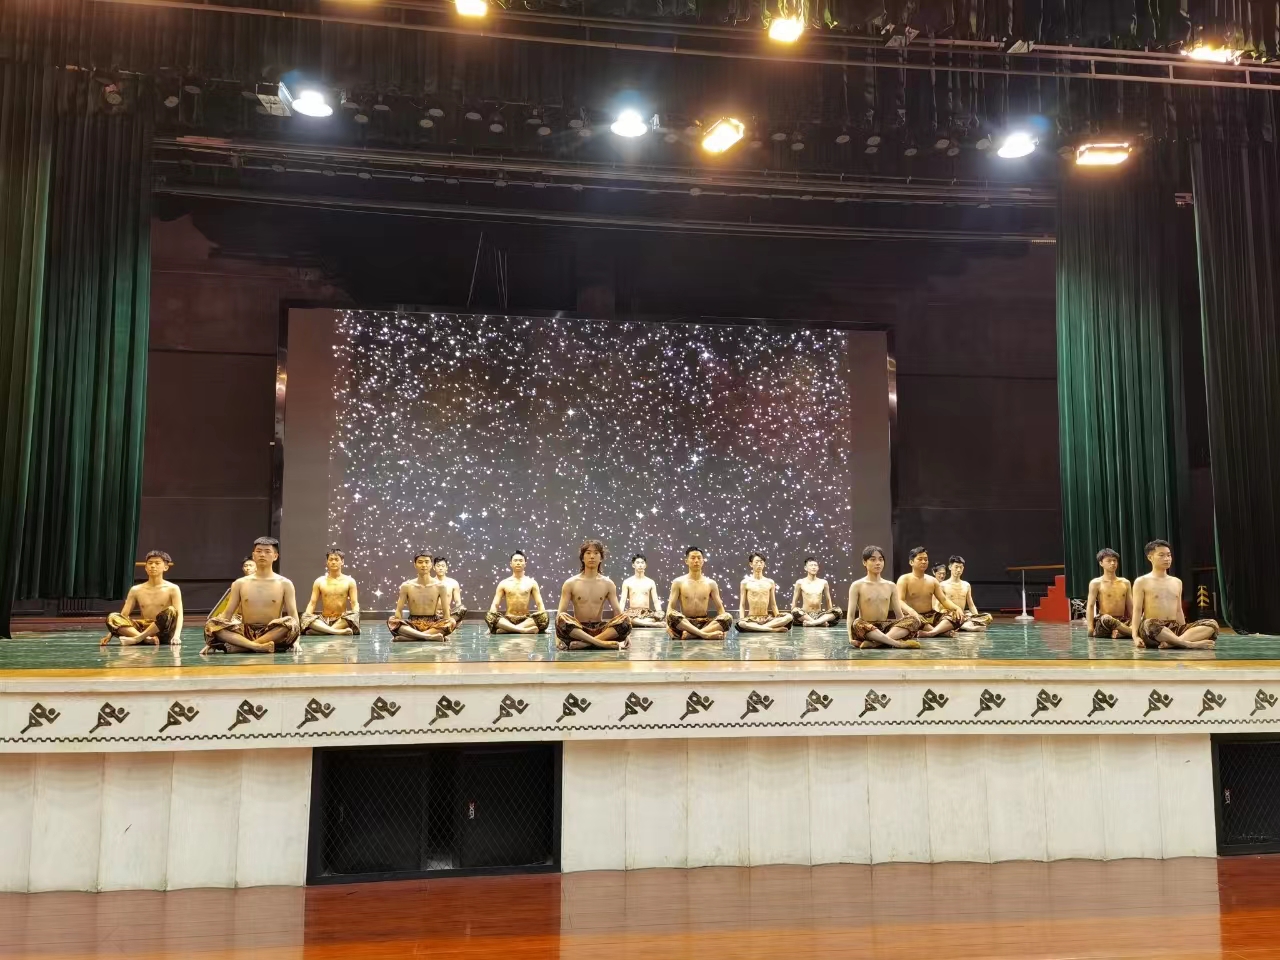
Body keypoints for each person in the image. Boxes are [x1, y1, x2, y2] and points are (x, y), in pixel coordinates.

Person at [202, 537, 300, 654]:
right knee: (212, 623)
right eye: (259, 551)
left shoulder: (285, 584)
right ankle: (257, 647)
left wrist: (296, 641)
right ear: (253, 555)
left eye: (267, 551)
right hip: (245, 632)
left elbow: (293, 614)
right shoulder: (240, 583)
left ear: (275, 556)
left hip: (272, 632)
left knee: (291, 622)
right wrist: (212, 638)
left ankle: (243, 646)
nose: (262, 555)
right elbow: (228, 613)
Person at [1130, 539, 1218, 649]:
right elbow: (1137, 610)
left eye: (1169, 555)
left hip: (1173, 628)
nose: (1167, 558)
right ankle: (1188, 643)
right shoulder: (1141, 581)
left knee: (1212, 624)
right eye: (1161, 555)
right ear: (1150, 557)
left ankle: (1173, 642)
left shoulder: (1177, 582)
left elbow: (1178, 610)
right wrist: (1135, 636)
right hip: (1154, 629)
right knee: (1149, 624)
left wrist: (1184, 629)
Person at [555, 539, 632, 649]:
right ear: (582, 558)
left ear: (601, 558)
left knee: (625, 619)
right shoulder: (570, 583)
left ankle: (586, 644)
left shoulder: (608, 584)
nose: (592, 556)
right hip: (578, 630)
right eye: (588, 553)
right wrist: (557, 638)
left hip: (600, 629)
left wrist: (627, 635)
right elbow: (561, 613)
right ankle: (600, 643)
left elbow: (617, 612)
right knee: (562, 618)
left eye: (596, 553)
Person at [101, 550, 183, 646]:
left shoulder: (173, 588)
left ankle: (139, 639)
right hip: (142, 628)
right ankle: (146, 639)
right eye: (150, 563)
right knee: (112, 617)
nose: (153, 566)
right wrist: (110, 634)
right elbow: (123, 616)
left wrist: (176, 636)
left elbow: (179, 615)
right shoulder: (135, 589)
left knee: (171, 611)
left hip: (162, 631)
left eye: (157, 563)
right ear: (146, 567)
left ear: (166, 567)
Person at [848, 545, 921, 648]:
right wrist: (850, 638)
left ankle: (876, 643)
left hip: (885, 628)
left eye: (881, 559)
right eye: (873, 560)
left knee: (914, 619)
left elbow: (899, 615)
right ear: (864, 562)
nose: (878, 563)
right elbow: (851, 615)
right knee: (856, 623)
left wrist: (904, 625)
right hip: (866, 629)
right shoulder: (857, 585)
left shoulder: (891, 585)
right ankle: (896, 643)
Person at [666, 546, 734, 640]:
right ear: (686, 561)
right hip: (685, 624)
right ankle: (705, 635)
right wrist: (668, 627)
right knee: (671, 615)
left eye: (699, 558)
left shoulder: (711, 583)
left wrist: (725, 629)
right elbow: (670, 607)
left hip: (704, 623)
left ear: (703, 561)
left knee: (728, 617)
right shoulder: (678, 582)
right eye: (693, 558)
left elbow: (720, 608)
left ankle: (692, 635)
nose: (696, 561)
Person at [896, 546, 966, 637]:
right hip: (913, 616)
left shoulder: (932, 580)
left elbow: (943, 600)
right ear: (911, 562)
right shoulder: (904, 579)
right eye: (920, 559)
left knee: (956, 616)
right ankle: (940, 631)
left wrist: (956, 608)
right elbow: (899, 601)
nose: (924, 562)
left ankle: (932, 632)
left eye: (926, 559)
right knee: (912, 621)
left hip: (931, 616)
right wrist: (912, 611)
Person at [388, 552, 455, 641]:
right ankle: (428, 637)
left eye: (427, 562)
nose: (424, 565)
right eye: (420, 562)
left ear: (431, 565)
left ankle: (411, 638)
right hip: (413, 624)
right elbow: (398, 611)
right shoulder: (406, 586)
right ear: (415, 565)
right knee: (392, 621)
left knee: (451, 622)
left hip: (433, 624)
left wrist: (445, 625)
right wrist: (398, 625)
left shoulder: (440, 586)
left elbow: (446, 613)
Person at [486, 551, 550, 634]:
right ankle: (522, 630)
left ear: (525, 564)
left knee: (544, 616)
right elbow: (495, 604)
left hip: (526, 620)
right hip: (508, 619)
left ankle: (508, 629)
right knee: (489, 615)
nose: (518, 563)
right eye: (515, 560)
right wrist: (490, 623)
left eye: (520, 560)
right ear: (511, 564)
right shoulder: (503, 583)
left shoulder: (532, 583)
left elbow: (539, 604)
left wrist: (544, 621)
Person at [301, 548, 360, 636]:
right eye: (331, 559)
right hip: (324, 620)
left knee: (354, 615)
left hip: (341, 620)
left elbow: (354, 603)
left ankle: (322, 631)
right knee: (304, 616)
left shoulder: (350, 581)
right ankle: (335, 631)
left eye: (336, 559)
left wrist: (355, 616)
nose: (333, 562)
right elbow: (312, 603)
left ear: (342, 562)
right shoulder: (319, 581)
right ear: (327, 562)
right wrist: (307, 618)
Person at [736, 552, 793, 632]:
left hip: (766, 619)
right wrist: (742, 618)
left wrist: (777, 617)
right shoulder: (745, 582)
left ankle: (762, 628)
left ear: (764, 564)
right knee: (742, 624)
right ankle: (772, 630)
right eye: (756, 562)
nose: (759, 564)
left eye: (761, 562)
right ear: (751, 564)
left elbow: (773, 604)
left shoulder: (770, 582)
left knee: (789, 617)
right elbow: (742, 604)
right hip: (751, 618)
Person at [1085, 547, 1132, 638]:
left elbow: (1131, 606)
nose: (1113, 563)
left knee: (1142, 620)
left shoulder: (1125, 582)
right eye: (1109, 561)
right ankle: (1131, 633)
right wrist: (1090, 627)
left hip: (1122, 621)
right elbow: (1090, 606)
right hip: (1105, 621)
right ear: (1101, 563)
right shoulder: (1096, 583)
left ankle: (1120, 632)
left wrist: (1135, 622)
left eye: (1115, 560)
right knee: (1107, 618)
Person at [939, 556, 993, 630]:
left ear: (963, 568)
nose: (958, 570)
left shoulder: (966, 585)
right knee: (949, 618)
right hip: (950, 616)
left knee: (988, 617)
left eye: (961, 567)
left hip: (963, 615)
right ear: (950, 567)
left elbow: (971, 605)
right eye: (956, 567)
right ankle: (963, 626)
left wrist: (977, 618)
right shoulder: (942, 585)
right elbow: (938, 606)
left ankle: (963, 625)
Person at [790, 557, 843, 626]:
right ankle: (818, 623)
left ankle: (814, 623)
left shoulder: (823, 582)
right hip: (805, 615)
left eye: (815, 565)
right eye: (811, 565)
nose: (813, 567)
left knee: (838, 610)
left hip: (819, 615)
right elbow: (794, 601)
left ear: (818, 568)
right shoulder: (800, 582)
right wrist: (793, 613)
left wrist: (829, 614)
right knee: (795, 610)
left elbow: (828, 600)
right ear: (805, 568)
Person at [620, 554, 664, 627]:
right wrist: (620, 614)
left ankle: (645, 623)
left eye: (642, 563)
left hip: (646, 613)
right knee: (627, 620)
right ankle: (651, 624)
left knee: (654, 618)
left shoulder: (651, 582)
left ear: (645, 565)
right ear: (633, 565)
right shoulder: (627, 582)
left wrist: (659, 612)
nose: (640, 565)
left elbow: (656, 601)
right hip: (632, 613)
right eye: (637, 563)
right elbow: (623, 601)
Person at [433, 557, 467, 622]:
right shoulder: (430, 583)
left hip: (448, 614)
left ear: (446, 568)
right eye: (438, 566)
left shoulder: (453, 583)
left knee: (462, 608)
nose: (440, 568)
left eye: (443, 566)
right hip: (433, 614)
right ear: (434, 568)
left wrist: (459, 617)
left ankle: (449, 621)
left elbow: (458, 602)